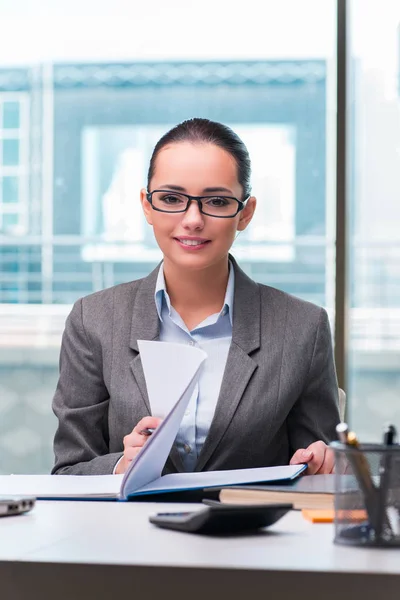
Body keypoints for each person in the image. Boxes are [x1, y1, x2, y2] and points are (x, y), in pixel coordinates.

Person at [52, 117, 340, 477]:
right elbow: (69, 470)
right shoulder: (93, 320)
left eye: (216, 201)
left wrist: (323, 464)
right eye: (171, 198)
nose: (192, 219)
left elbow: (321, 464)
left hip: (249, 530)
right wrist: (120, 466)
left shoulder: (303, 328)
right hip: (127, 531)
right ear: (147, 206)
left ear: (245, 213)